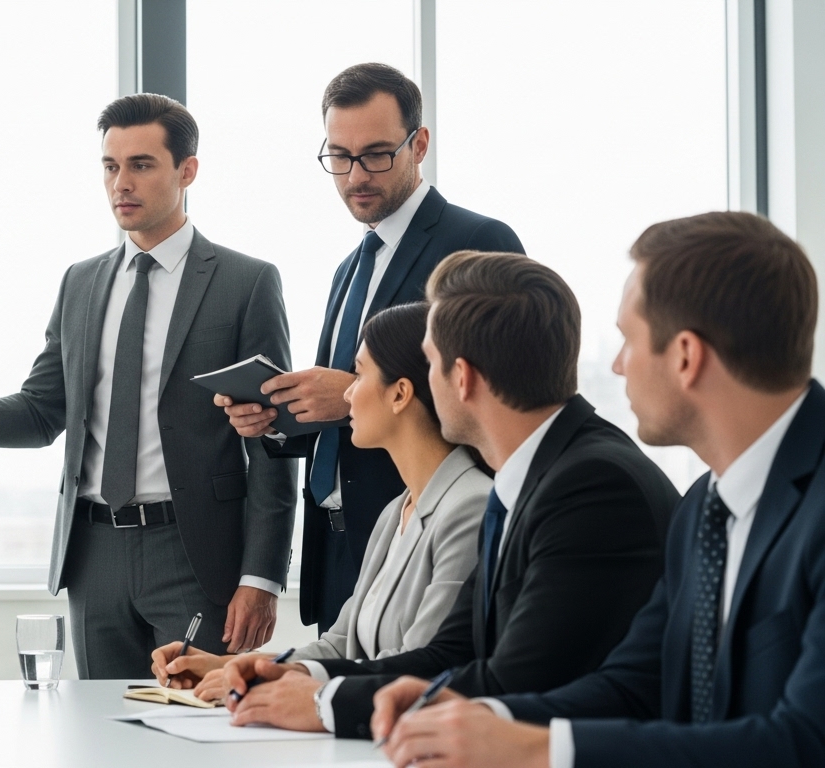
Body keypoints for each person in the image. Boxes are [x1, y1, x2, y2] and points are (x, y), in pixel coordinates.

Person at [0, 94, 298, 678]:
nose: (122, 182)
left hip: (195, 554)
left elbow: (272, 441)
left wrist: (262, 577)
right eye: (110, 166)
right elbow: (41, 413)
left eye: (141, 165)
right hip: (93, 554)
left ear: (187, 170)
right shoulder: (81, 283)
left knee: (196, 735)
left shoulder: (245, 283)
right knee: (102, 735)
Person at [372, 212, 825, 768]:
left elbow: (805, 742)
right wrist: (484, 716)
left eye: (629, 340)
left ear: (686, 356)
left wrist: (542, 749)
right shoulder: (704, 509)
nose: (616, 365)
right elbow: (635, 684)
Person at [221, 250, 680, 737]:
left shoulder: (590, 486)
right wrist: (300, 674)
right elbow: (451, 652)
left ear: (462, 379)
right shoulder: (533, 475)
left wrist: (323, 704)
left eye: (432, 363)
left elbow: (513, 681)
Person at [216, 63, 524, 633]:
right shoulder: (349, 268)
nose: (356, 174)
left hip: (428, 535)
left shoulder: (479, 242)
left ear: (420, 144)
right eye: (340, 155)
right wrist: (280, 418)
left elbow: (503, 392)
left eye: (377, 154)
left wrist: (355, 392)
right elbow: (342, 411)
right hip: (337, 543)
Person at [151, 302, 489, 692]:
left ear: (399, 395)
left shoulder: (470, 509)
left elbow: (421, 668)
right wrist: (229, 666)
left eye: (358, 375)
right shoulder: (397, 511)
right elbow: (340, 646)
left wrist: (281, 689)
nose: (346, 392)